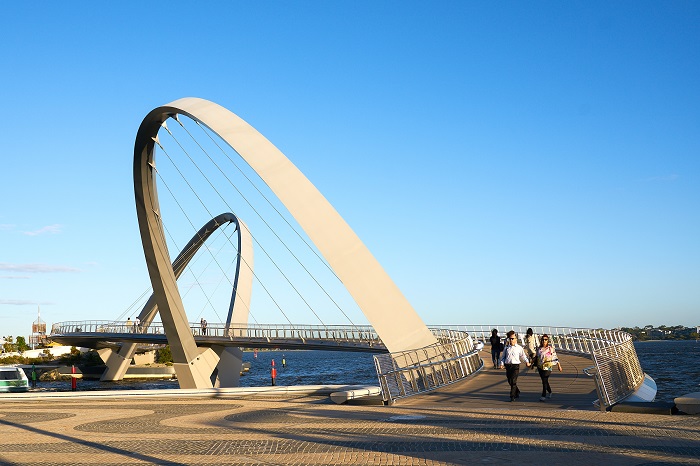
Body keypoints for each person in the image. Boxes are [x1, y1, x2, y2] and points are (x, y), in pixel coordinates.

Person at [499, 330, 531, 401]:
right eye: (510, 338)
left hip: (515, 366)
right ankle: (517, 391)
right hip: (508, 366)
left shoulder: (519, 348)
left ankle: (512, 396)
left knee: (513, 381)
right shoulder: (506, 348)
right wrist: (501, 364)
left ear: (516, 339)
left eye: (512, 338)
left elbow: (523, 356)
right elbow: (503, 357)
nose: (511, 340)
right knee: (510, 381)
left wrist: (527, 362)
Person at [536, 334, 562, 401]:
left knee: (545, 379)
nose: (544, 341)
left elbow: (555, 357)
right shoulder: (539, 349)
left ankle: (543, 395)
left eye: (546, 339)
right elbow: (537, 357)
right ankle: (550, 391)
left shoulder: (550, 349)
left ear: (548, 341)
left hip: (548, 366)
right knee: (544, 381)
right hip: (540, 367)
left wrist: (559, 365)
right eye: (543, 339)